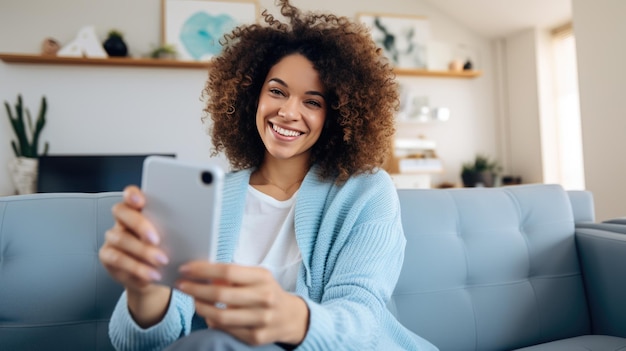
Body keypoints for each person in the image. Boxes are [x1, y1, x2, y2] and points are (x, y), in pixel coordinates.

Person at [98, 0, 438, 350]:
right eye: (277, 91)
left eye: (313, 102)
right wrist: (145, 290)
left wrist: (291, 317)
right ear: (252, 97)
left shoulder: (365, 191)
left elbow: (362, 320)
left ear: (337, 115)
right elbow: (144, 344)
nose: (288, 111)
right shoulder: (211, 200)